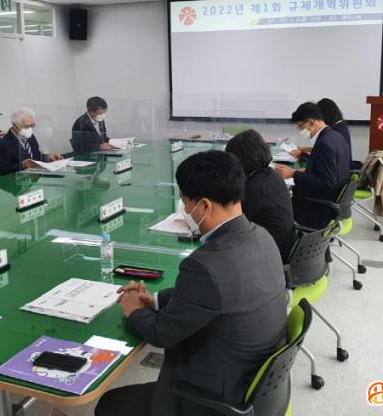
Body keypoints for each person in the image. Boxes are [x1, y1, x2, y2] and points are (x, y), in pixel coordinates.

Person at [95, 150, 287, 416]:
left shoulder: (206, 265)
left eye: (185, 203)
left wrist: (134, 310)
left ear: (205, 205)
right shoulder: (261, 236)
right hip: (253, 386)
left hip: (213, 399)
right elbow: (214, 295)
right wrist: (155, 300)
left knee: (109, 404)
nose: (186, 211)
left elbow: (161, 334)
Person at [274, 102, 351, 230]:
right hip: (333, 200)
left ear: (311, 122)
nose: (299, 130)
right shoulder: (335, 136)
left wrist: (294, 174)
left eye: (300, 126)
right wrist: (307, 170)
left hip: (319, 208)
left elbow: (327, 183)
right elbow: (331, 171)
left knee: (276, 206)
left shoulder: (324, 144)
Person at [225, 129, 295, 262]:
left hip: (268, 257)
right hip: (283, 247)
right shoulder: (272, 175)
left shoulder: (251, 187)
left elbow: (233, 226)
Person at [0, 107, 63, 176]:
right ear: (14, 125)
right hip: (18, 180)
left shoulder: (30, 135)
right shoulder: (3, 144)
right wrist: (23, 164)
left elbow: (35, 155)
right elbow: (3, 171)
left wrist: (48, 157)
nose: (30, 129)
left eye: (32, 125)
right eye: (26, 126)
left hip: (34, 176)